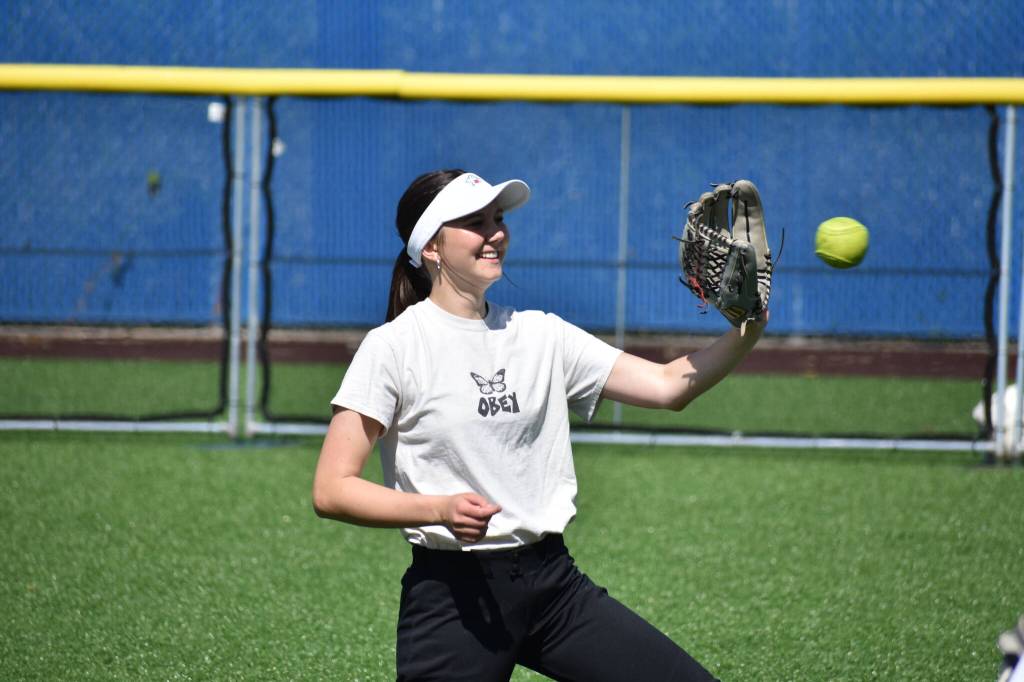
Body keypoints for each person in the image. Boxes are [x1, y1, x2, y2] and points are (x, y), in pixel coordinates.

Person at [312, 169, 767, 681]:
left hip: (553, 587)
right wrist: (437, 508)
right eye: (475, 222)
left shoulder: (540, 335)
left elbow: (667, 387)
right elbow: (332, 489)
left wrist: (747, 329)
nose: (496, 233)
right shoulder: (393, 347)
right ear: (432, 247)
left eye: (498, 219)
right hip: (453, 598)